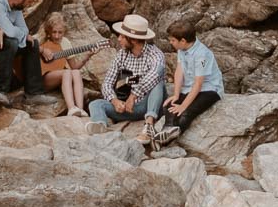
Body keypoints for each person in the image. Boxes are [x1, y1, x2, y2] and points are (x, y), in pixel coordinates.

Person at [87, 13, 166, 142]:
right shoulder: (121, 55)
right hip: (127, 107)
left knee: (158, 81)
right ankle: (100, 126)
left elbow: (155, 74)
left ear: (133, 40)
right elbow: (107, 82)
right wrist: (114, 101)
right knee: (96, 104)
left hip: (149, 103)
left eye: (122, 36)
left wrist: (134, 95)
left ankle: (148, 127)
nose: (118, 39)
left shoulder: (155, 55)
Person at [153, 18, 223, 147]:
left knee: (186, 112)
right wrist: (176, 95)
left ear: (183, 41)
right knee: (170, 105)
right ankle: (167, 130)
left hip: (209, 89)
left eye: (173, 40)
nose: (170, 42)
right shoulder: (182, 50)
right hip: (190, 87)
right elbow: (179, 71)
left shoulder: (202, 55)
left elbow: (198, 84)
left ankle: (169, 138)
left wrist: (183, 105)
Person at [0, 0, 55, 107]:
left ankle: (33, 94)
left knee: (32, 43)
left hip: (4, 44)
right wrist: (17, 33)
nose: (30, 4)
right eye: (29, 1)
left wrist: (20, 34)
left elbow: (23, 29)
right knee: (12, 41)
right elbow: (11, 33)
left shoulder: (16, 6)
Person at [37, 12, 100, 117]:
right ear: (48, 31)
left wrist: (87, 56)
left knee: (75, 72)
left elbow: (74, 67)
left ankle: (80, 109)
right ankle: (71, 108)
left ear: (64, 32)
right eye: (54, 32)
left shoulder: (65, 42)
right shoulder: (42, 40)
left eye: (60, 32)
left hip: (58, 77)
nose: (57, 36)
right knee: (67, 72)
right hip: (42, 79)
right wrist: (42, 50)